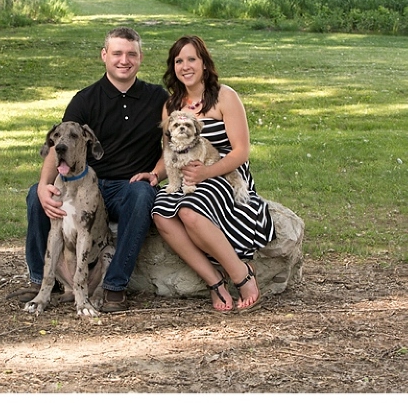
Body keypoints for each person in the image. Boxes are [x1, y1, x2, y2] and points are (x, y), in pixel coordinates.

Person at [24, 26, 167, 313]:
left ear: (140, 57)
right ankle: (41, 282)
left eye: (131, 54)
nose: (124, 60)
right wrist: (43, 185)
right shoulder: (85, 99)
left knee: (143, 195)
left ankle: (114, 285)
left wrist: (156, 174)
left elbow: (170, 145)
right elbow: (59, 144)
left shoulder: (157, 97)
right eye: (117, 53)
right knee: (34, 196)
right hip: (84, 183)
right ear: (104, 55)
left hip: (128, 186)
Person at [150, 35, 275, 312]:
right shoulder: (171, 106)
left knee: (189, 211)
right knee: (160, 213)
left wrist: (206, 173)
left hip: (225, 172)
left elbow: (241, 151)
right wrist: (155, 175)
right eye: (178, 61)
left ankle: (242, 275)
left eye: (191, 59)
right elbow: (169, 153)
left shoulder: (225, 97)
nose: (185, 66)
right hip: (187, 177)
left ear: (204, 63)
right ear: (173, 67)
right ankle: (215, 281)